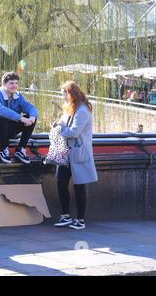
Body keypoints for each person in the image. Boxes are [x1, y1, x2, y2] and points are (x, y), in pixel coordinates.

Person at [53, 81, 98, 230]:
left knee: (79, 186)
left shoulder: (83, 111)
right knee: (60, 182)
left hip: (78, 153)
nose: (62, 97)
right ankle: (65, 215)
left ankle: (80, 220)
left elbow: (74, 132)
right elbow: (64, 122)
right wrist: (57, 124)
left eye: (64, 94)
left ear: (71, 94)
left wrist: (59, 131)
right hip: (66, 152)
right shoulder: (71, 108)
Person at [0, 72, 38, 164]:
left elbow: (29, 107)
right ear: (4, 84)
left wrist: (32, 117)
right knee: (1, 118)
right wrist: (20, 118)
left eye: (16, 83)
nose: (14, 86)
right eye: (11, 83)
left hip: (7, 131)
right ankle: (3, 150)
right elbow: (1, 110)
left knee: (31, 117)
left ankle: (20, 149)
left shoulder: (17, 96)